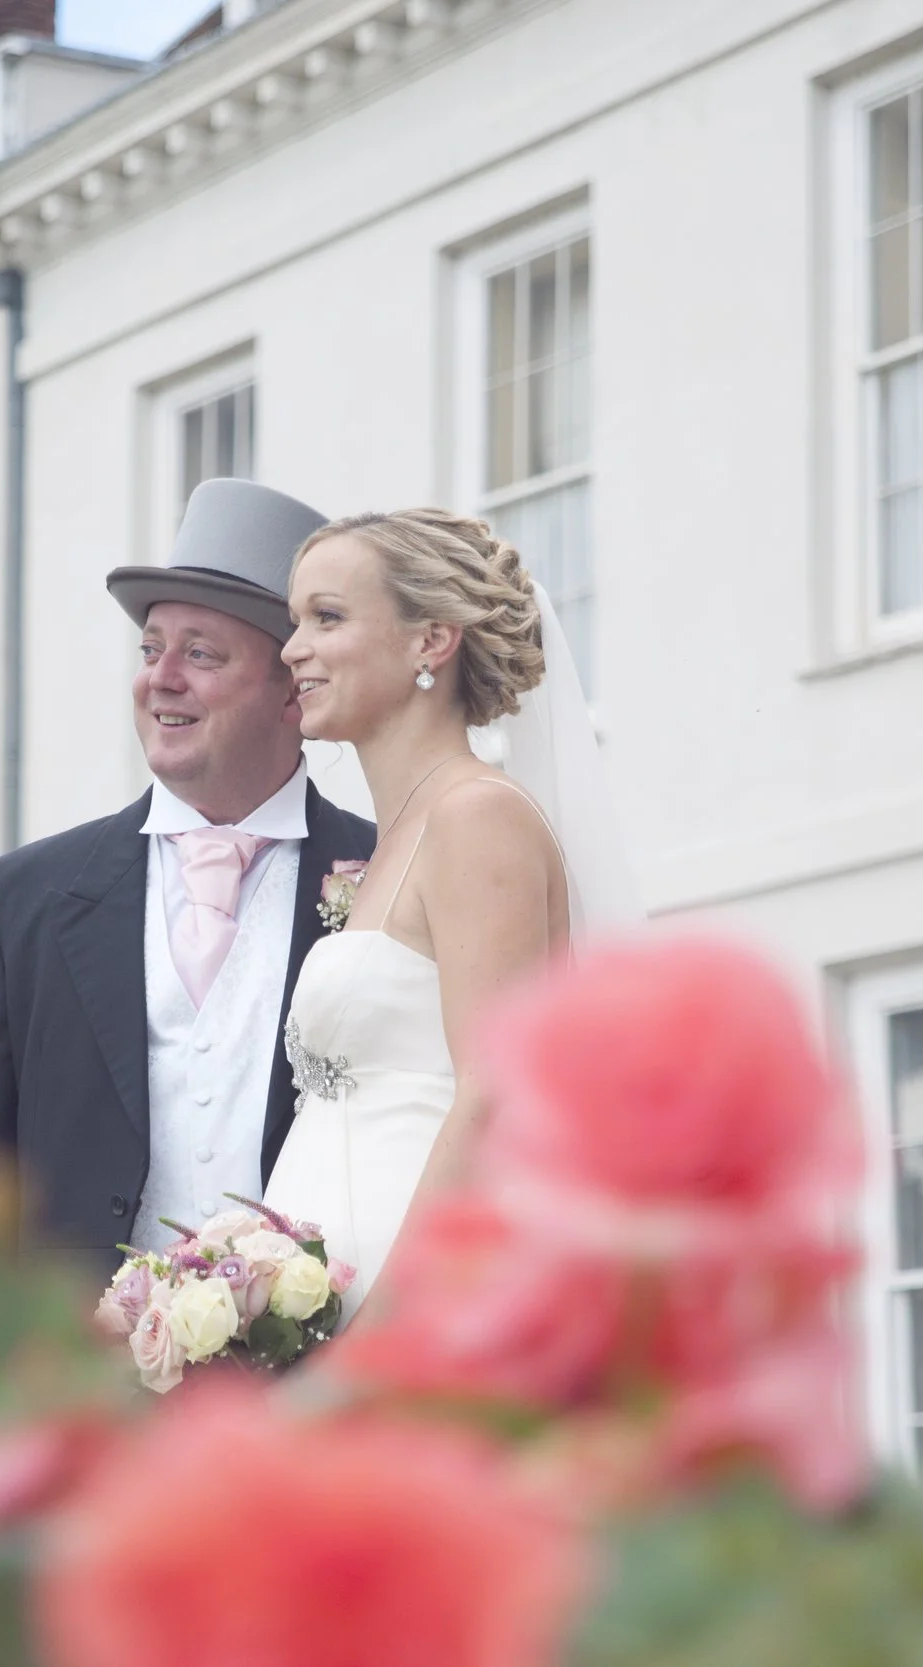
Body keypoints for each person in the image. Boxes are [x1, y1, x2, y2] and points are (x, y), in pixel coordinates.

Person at [0, 479, 378, 1269]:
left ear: (292, 690)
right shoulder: (17, 905)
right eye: (150, 649)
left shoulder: (395, 875)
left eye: (200, 654)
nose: (160, 677)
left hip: (328, 1370)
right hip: (78, 1376)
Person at [262, 507, 633, 1318]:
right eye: (295, 622)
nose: (292, 648)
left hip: (418, 1310)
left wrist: (380, 1348)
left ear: (431, 640)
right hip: (323, 1303)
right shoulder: (394, 840)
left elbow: (493, 1094)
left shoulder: (477, 819)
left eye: (327, 617)